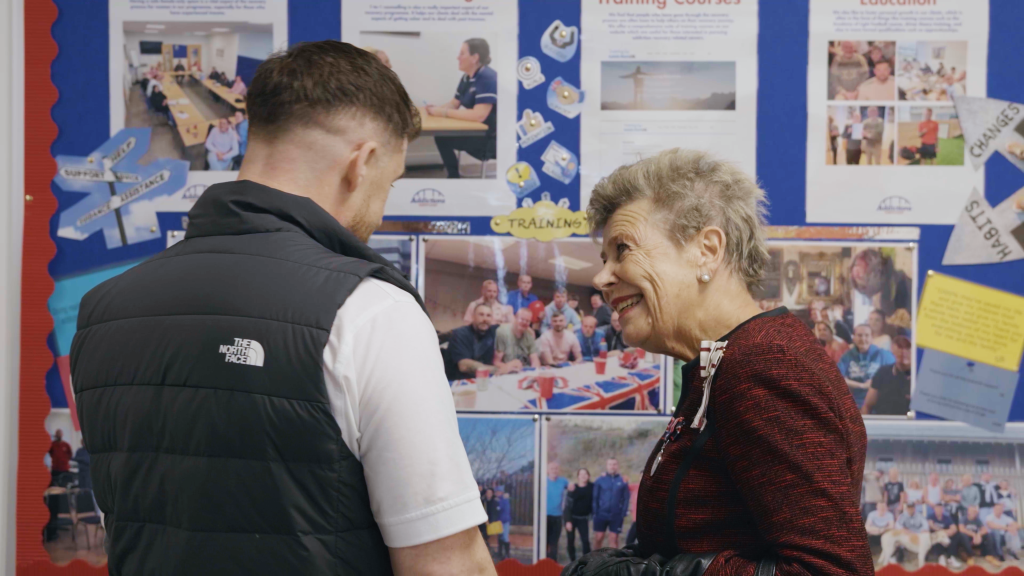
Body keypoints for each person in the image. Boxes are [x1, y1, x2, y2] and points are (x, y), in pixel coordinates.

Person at [70, 41, 495, 575]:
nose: (380, 212)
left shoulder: (103, 310)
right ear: (361, 164)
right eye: (388, 185)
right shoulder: (370, 310)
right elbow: (445, 564)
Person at [567, 148, 873, 575]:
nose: (601, 278)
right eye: (605, 259)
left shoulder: (764, 365)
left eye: (623, 250)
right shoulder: (723, 362)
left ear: (707, 250)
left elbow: (832, 572)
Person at [426, 38, 497, 179]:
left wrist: (443, 113)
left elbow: (479, 115)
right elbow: (454, 103)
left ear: (474, 58)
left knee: (442, 138)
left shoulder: (487, 78)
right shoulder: (466, 78)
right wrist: (435, 110)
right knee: (441, 136)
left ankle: (453, 177)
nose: (458, 57)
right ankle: (453, 176)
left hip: (491, 139)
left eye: (462, 53)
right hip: (477, 132)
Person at [838, 324, 895, 408]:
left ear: (872, 338)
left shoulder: (884, 355)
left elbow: (894, 378)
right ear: (853, 338)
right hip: (852, 405)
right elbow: (836, 378)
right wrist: (861, 385)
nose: (863, 339)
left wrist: (875, 384)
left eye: (867, 335)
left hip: (877, 404)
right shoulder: (847, 356)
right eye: (859, 335)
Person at [862, 335, 912, 416]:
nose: (903, 351)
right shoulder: (882, 372)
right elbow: (867, 406)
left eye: (907, 347)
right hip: (883, 424)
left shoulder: (920, 376)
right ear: (892, 349)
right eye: (899, 347)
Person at [449, 303, 501, 379]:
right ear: (473, 317)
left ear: (492, 319)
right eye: (481, 315)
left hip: (485, 379)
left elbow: (513, 326)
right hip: (460, 382)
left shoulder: (493, 331)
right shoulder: (460, 334)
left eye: (488, 315)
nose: (485, 319)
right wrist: (498, 370)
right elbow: (464, 366)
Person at [591, 458, 629, 550]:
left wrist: (623, 513)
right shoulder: (600, 480)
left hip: (616, 515)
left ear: (617, 466)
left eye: (614, 464)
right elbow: (595, 497)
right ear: (607, 466)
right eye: (610, 464)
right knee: (598, 538)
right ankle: (594, 561)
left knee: (614, 539)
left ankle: (613, 562)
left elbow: (626, 498)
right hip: (601, 514)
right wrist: (595, 512)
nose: (612, 466)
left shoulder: (623, 480)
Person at [880, 501, 930, 567]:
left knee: (926, 541)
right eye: (909, 508)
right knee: (900, 542)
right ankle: (895, 558)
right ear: (906, 509)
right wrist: (903, 529)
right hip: (906, 535)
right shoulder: (903, 515)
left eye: (912, 508)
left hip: (917, 535)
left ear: (914, 508)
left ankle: (923, 560)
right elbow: (897, 525)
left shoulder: (919, 515)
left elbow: (926, 525)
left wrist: (923, 530)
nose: (910, 510)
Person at [493, 308, 541, 373]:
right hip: (507, 373)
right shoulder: (502, 332)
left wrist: (535, 372)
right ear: (515, 318)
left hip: (525, 372)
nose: (524, 322)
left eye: (527, 321)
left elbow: (535, 360)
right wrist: (510, 368)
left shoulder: (529, 335)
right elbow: (496, 362)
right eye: (522, 319)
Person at [564, 468, 593, 563]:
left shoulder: (592, 487)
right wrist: (568, 521)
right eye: (581, 474)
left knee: (585, 541)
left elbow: (602, 484)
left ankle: (586, 562)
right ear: (578, 476)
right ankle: (572, 561)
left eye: (585, 474)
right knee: (571, 540)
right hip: (571, 518)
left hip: (583, 519)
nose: (583, 476)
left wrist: (604, 474)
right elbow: (567, 506)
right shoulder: (573, 488)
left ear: (588, 476)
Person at [546, 462, 569, 560]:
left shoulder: (563, 481)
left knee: (554, 542)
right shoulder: (543, 481)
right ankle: (543, 565)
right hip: (545, 517)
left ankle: (553, 565)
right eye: (552, 468)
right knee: (545, 542)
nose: (554, 471)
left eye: (556, 468)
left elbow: (574, 487)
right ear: (547, 470)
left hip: (558, 517)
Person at [927, 503, 961, 568]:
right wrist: (941, 532)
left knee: (956, 535)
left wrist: (945, 532)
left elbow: (954, 528)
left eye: (940, 508)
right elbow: (931, 525)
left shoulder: (946, 517)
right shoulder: (931, 516)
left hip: (945, 534)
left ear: (942, 509)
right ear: (934, 509)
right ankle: (941, 556)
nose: (939, 510)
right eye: (937, 508)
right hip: (935, 535)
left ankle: (951, 557)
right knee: (937, 535)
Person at [495, 486, 512, 560]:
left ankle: (506, 554)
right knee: (501, 537)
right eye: (496, 492)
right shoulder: (502, 499)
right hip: (501, 521)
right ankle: (502, 553)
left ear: (501, 492)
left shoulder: (503, 500)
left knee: (505, 537)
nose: (497, 493)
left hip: (504, 521)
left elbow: (500, 509)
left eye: (498, 492)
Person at [483, 488, 499, 556]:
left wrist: (491, 521)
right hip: (484, 522)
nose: (488, 494)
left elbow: (495, 512)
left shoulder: (495, 501)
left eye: (490, 493)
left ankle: (492, 550)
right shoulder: (484, 501)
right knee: (484, 536)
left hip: (492, 522)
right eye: (487, 493)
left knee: (492, 536)